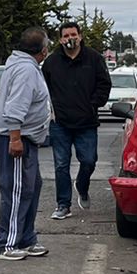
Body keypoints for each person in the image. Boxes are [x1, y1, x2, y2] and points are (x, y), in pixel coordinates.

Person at [0, 27, 54, 261]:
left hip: (25, 137)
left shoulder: (24, 65)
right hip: (16, 138)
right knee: (17, 191)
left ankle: (26, 238)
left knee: (31, 187)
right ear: (43, 50)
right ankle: (5, 244)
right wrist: (15, 138)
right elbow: (15, 108)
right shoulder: (26, 70)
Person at [42, 20, 113, 219]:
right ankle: (63, 204)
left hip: (86, 123)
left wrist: (93, 104)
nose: (70, 39)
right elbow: (43, 89)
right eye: (65, 36)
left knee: (89, 160)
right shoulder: (51, 62)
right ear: (60, 39)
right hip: (60, 123)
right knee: (61, 165)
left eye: (73, 34)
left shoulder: (94, 59)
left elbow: (104, 84)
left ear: (80, 36)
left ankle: (82, 185)